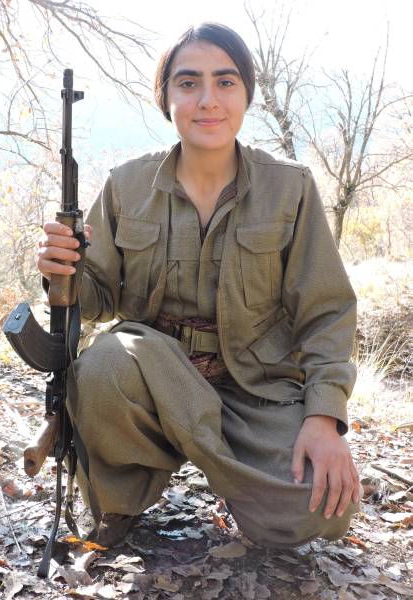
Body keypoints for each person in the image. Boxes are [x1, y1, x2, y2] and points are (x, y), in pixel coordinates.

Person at [37, 22, 361, 549]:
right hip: (150, 376)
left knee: (322, 510)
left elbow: (327, 312)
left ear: (247, 93)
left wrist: (324, 417)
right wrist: (62, 270)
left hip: (255, 387)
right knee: (101, 367)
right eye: (188, 83)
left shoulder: (291, 187)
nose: (208, 100)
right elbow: (95, 299)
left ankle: (237, 474)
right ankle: (123, 496)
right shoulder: (126, 184)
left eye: (225, 82)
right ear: (165, 97)